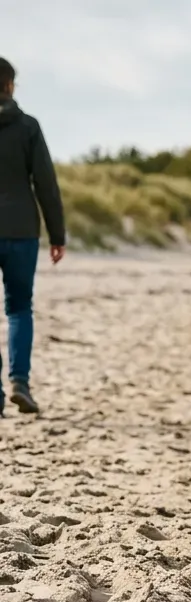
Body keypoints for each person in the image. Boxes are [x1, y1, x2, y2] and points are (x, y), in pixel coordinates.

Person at [0, 57, 64, 416]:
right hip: (22, 229)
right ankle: (20, 383)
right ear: (9, 85)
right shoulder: (28, 127)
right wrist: (58, 234)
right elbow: (45, 183)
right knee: (20, 308)